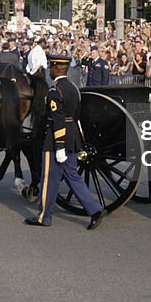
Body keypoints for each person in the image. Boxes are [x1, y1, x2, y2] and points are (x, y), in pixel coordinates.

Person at [25, 54, 107, 229]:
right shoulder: (73, 88)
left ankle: (44, 217)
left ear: (56, 69)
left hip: (56, 141)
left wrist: (60, 146)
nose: (50, 70)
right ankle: (95, 209)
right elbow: (75, 117)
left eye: (51, 67)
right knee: (72, 176)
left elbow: (58, 120)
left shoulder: (55, 91)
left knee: (49, 178)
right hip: (72, 137)